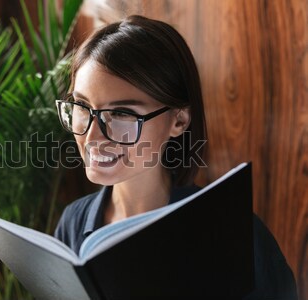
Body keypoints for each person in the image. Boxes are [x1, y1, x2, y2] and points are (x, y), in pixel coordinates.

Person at [54, 15, 297, 299]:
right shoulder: (73, 221)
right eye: (82, 106)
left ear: (179, 121)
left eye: (121, 114)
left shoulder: (236, 238)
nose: (93, 137)